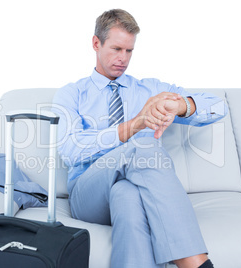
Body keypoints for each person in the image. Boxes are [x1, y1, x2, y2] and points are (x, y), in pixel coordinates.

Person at [52, 9, 226, 268]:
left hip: (132, 189)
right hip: (88, 194)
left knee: (127, 195)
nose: (123, 59)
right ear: (96, 43)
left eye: (129, 51)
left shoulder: (151, 89)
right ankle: (196, 263)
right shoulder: (72, 94)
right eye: (116, 48)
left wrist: (181, 107)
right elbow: (70, 150)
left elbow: (219, 106)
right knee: (143, 143)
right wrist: (135, 125)